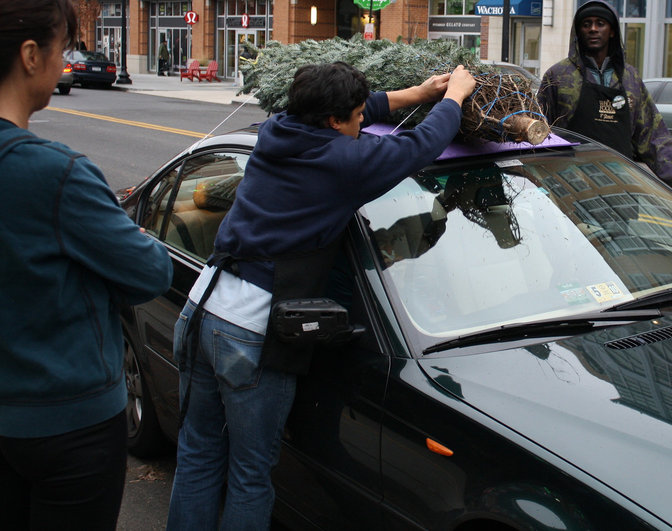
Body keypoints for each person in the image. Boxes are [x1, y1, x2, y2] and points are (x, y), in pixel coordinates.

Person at [167, 60, 477, 531]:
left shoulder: (280, 128)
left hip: (203, 307)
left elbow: (360, 109)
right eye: (355, 118)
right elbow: (418, 146)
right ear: (334, 121)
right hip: (250, 332)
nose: (361, 124)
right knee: (251, 475)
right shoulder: (342, 162)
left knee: (198, 455)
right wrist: (453, 97)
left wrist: (417, 92)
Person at [0, 0, 174, 530]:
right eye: (62, 49)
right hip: (65, 422)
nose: (64, 62)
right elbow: (150, 271)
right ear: (30, 55)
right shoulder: (54, 173)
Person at [539, 0, 672, 207]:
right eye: (586, 24)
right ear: (578, 32)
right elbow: (537, 134)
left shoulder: (630, 78)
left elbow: (653, 136)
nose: (593, 29)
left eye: (600, 23)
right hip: (570, 193)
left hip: (621, 193)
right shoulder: (558, 76)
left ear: (612, 31)